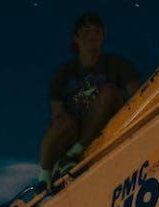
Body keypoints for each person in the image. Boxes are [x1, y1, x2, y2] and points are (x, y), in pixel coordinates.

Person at [40, 12, 144, 182]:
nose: (92, 35)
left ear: (103, 36)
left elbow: (139, 97)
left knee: (109, 92)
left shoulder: (118, 64)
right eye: (86, 30)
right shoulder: (62, 75)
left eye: (97, 31)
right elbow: (57, 116)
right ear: (76, 37)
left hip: (109, 127)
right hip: (74, 131)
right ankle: (44, 178)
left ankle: (78, 150)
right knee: (63, 123)